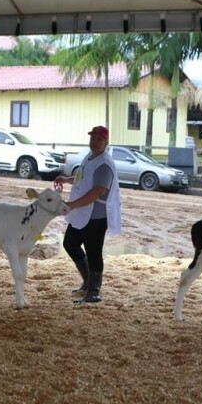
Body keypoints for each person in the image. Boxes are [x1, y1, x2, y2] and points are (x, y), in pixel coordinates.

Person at [54, 126, 121, 304]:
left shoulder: (104, 164)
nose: (95, 142)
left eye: (99, 139)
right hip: (82, 212)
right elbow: (82, 178)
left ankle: (94, 291)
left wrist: (72, 205)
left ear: (106, 142)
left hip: (96, 215)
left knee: (93, 252)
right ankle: (87, 280)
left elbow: (98, 191)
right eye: (93, 138)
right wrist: (66, 180)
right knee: (70, 243)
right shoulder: (89, 157)